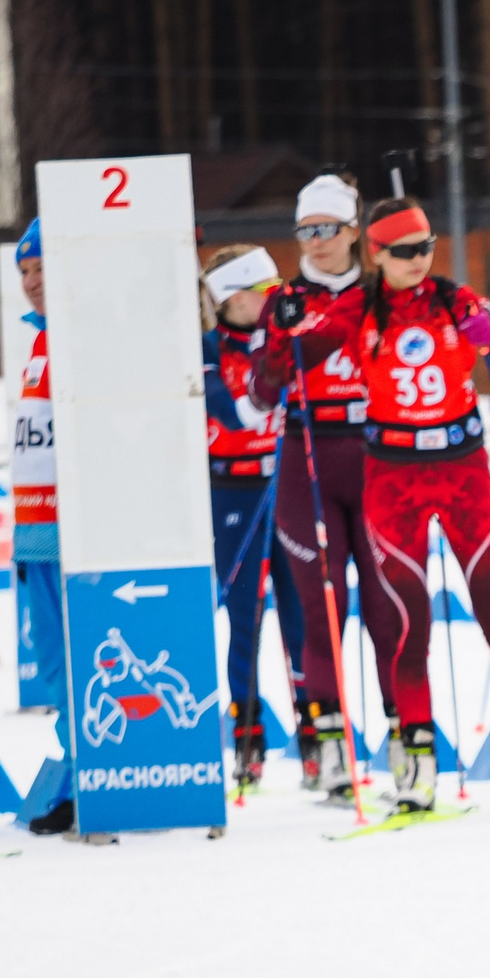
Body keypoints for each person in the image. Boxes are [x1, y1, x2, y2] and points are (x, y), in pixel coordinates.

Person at [270, 196, 490, 814]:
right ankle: (418, 767)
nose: (419, 259)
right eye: (404, 251)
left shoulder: (454, 300)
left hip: (463, 473)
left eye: (426, 246)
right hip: (393, 479)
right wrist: (286, 325)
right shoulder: (358, 307)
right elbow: (276, 375)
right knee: (409, 625)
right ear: (376, 254)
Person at [250, 174, 406, 800]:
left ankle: (405, 736)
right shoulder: (283, 298)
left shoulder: (382, 292)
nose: (315, 242)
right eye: (304, 231)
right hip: (306, 458)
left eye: (327, 229)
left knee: (388, 605)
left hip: (375, 455)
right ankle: (332, 748)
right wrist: (286, 343)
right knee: (322, 608)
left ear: (352, 232)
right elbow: (263, 391)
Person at [199, 244, 307, 788]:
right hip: (234, 493)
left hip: (288, 487)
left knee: (303, 615)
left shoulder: (288, 338)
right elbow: (235, 414)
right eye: (265, 293)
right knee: (246, 621)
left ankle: (317, 736)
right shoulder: (208, 348)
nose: (275, 302)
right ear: (233, 299)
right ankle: (247, 738)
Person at [7, 220, 81, 836]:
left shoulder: (81, 337)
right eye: (25, 274)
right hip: (35, 526)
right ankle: (79, 770)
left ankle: (90, 777)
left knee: (76, 659)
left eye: (42, 271)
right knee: (53, 664)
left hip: (70, 525)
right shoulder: (40, 340)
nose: (33, 284)